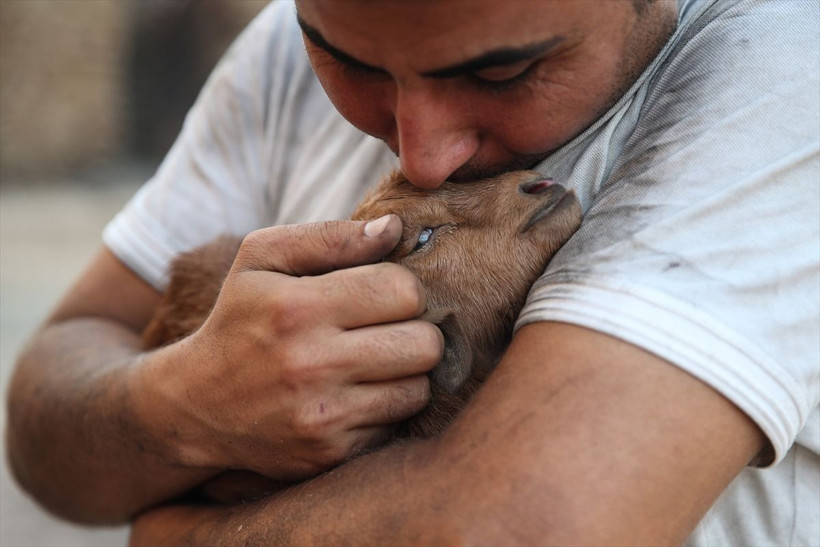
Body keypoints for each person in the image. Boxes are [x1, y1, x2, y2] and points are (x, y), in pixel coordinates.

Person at [6, 0, 818, 544]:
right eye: (347, 64)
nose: (422, 155)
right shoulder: (297, 34)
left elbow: (526, 528)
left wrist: (181, 532)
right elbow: (45, 422)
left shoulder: (783, 69)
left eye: (502, 73)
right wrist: (184, 401)